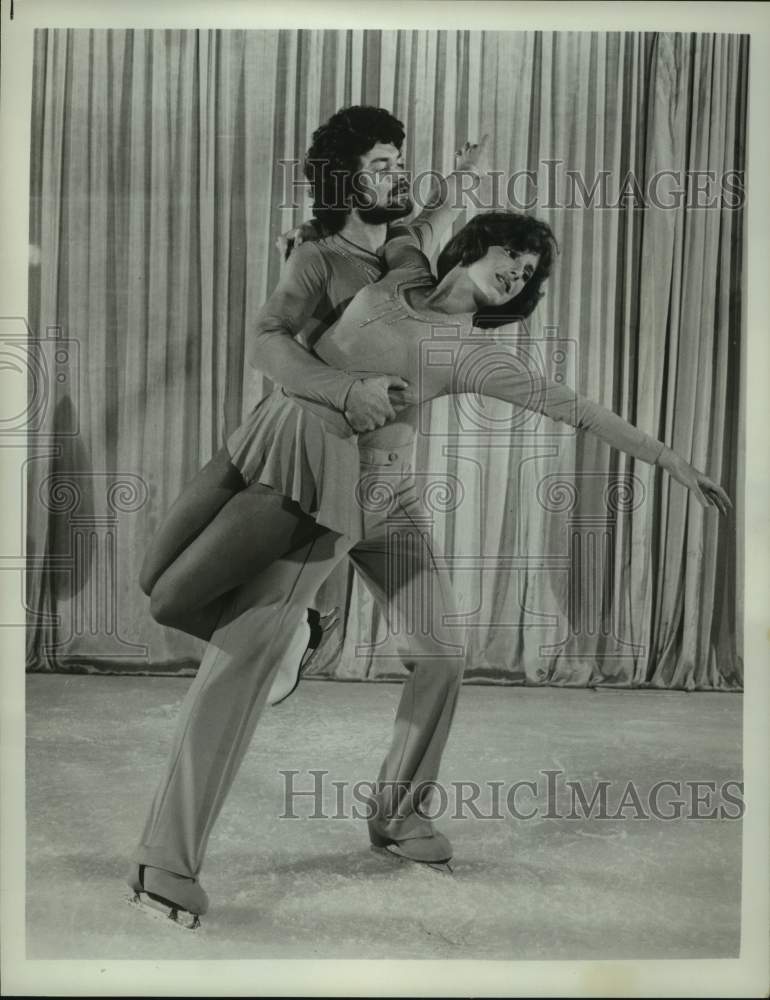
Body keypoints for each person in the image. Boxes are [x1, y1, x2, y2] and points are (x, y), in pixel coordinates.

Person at [127, 133, 730, 929]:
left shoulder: (475, 354)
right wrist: (459, 178)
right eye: (512, 254)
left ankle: (398, 814)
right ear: (474, 248)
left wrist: (669, 459)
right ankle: (165, 862)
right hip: (323, 491)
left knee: (443, 649)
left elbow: (575, 407)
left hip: (390, 500)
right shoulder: (403, 268)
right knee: (241, 657)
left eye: (527, 274)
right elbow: (420, 214)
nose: (518, 273)